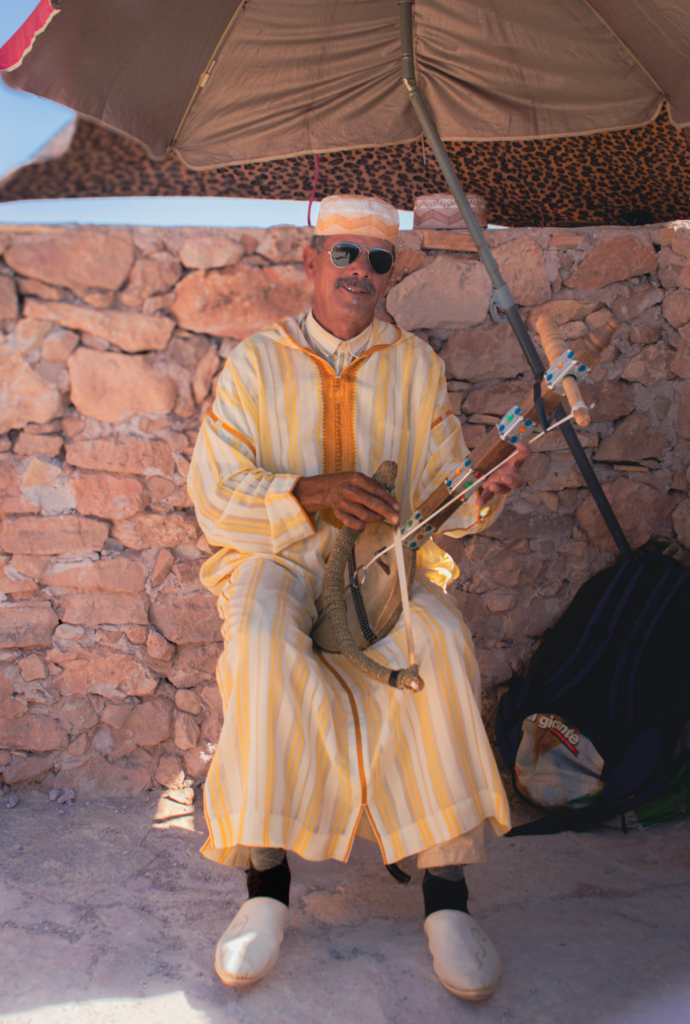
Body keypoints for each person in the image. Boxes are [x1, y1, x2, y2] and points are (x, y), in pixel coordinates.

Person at [187, 195, 529, 1001]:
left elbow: (443, 497)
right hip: (278, 555)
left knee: (438, 643)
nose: (361, 273)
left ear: (390, 273)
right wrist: (306, 491)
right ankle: (265, 895)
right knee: (264, 648)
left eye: (378, 260)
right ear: (310, 263)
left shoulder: (414, 366)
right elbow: (214, 492)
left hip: (383, 559)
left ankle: (446, 898)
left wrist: (483, 487)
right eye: (344, 254)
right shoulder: (257, 363)